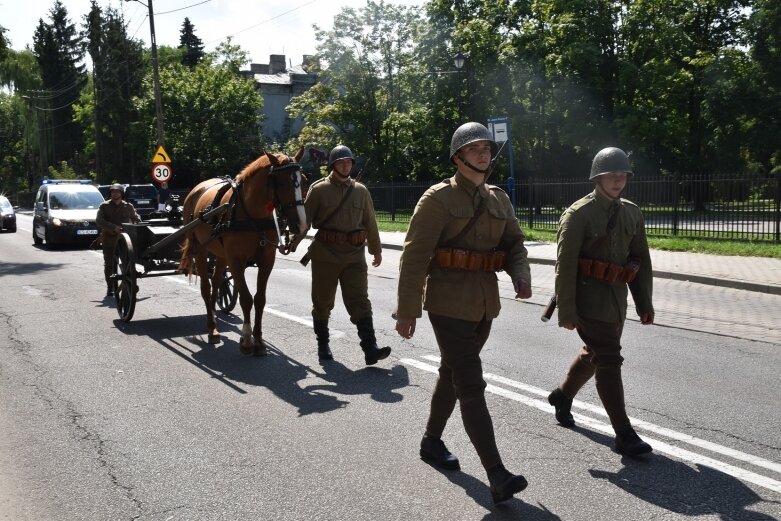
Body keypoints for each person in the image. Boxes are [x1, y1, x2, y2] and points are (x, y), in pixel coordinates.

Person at [394, 122, 532, 504]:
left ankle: (431, 441)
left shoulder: (499, 199)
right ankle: (497, 474)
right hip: (447, 304)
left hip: (484, 303)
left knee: (451, 373)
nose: (484, 154)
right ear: (457, 157)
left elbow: (515, 244)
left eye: (487, 148)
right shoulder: (437, 199)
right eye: (474, 149)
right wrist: (407, 310)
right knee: (471, 383)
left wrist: (520, 274)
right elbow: (415, 257)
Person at [547, 147, 655, 457]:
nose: (618, 180)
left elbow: (639, 260)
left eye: (623, 175)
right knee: (609, 357)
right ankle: (624, 434)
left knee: (596, 352)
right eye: (612, 175)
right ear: (598, 178)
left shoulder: (632, 212)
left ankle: (562, 396)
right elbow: (564, 266)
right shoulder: (578, 214)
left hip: (615, 299)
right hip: (587, 300)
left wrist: (643, 303)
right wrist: (566, 310)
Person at [302, 145, 391, 365]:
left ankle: (370, 349)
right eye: (341, 162)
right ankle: (323, 344)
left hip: (354, 256)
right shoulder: (319, 189)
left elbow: (370, 221)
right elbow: (305, 221)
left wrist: (376, 249)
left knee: (360, 300)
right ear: (332, 165)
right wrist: (291, 242)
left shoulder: (360, 190)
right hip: (326, 255)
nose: (346, 165)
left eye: (349, 162)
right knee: (323, 302)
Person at [96, 183, 140, 296]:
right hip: (109, 239)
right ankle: (110, 287)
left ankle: (131, 284)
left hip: (124, 240)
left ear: (122, 193)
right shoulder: (104, 206)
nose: (114, 193)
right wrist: (113, 227)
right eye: (112, 192)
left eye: (117, 192)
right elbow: (99, 220)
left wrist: (138, 221)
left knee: (128, 263)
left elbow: (136, 217)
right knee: (109, 264)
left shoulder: (128, 206)